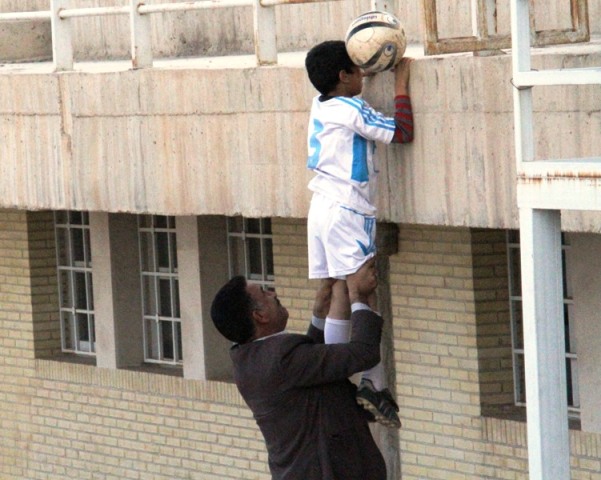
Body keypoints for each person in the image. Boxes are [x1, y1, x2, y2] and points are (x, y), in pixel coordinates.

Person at [304, 40, 414, 428]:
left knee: (335, 287)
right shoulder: (352, 108)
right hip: (348, 209)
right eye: (357, 68)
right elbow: (401, 132)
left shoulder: (320, 104)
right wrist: (400, 83)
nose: (363, 75)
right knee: (363, 289)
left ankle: (334, 377)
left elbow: (346, 89)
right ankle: (372, 382)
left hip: (320, 206)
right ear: (343, 75)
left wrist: (361, 72)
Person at [210, 258, 387, 480]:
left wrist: (319, 315)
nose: (273, 293)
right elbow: (363, 353)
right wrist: (358, 297)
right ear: (260, 316)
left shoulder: (246, 359)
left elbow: (306, 370)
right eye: (264, 293)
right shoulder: (281, 359)